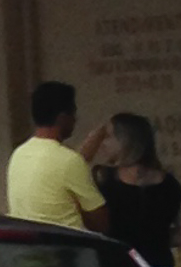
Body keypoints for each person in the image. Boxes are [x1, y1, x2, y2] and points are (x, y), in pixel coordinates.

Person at [93, 112, 181, 267]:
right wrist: (157, 238)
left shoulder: (105, 179)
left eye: (108, 137)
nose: (103, 144)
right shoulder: (169, 183)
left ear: (125, 141)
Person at [6, 81, 110, 230]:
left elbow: (58, 169)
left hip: (29, 241)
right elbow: (100, 222)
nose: (75, 119)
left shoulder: (19, 154)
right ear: (62, 118)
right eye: (73, 113)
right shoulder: (69, 161)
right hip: (66, 243)